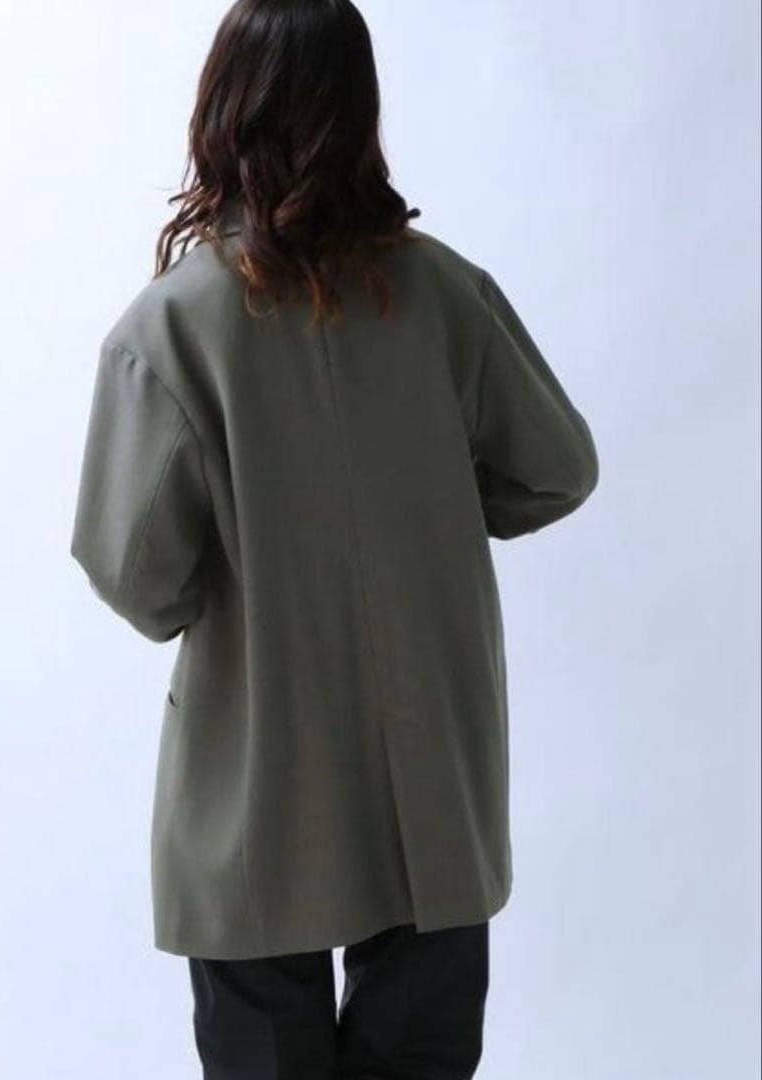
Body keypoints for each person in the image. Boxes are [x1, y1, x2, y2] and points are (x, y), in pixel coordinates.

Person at [68, 0, 600, 1076]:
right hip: (431, 781)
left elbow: (138, 579)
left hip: (255, 785)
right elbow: (557, 468)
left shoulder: (169, 327)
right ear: (360, 111)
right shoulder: (444, 294)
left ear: (223, 111)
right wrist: (435, 506)